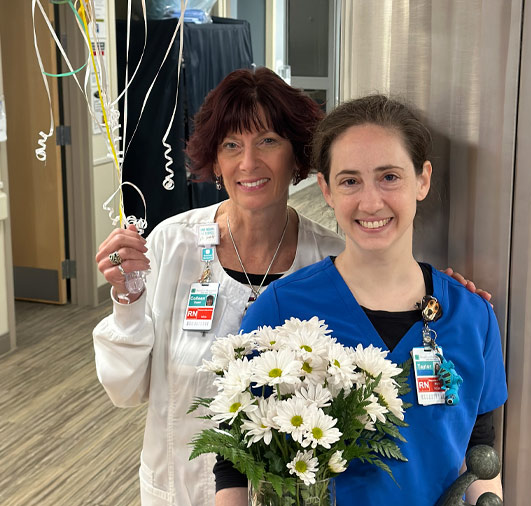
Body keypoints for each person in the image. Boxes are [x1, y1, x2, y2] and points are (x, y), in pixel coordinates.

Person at [93, 69, 489, 506]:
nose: (248, 163)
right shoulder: (173, 244)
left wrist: (447, 300)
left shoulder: (328, 258)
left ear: (296, 156)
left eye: (267, 141)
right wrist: (128, 302)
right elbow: (125, 390)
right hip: (180, 487)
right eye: (231, 145)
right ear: (215, 160)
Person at [216, 94, 507, 506]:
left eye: (390, 176)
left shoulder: (471, 317)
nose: (371, 202)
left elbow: (480, 457)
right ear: (326, 189)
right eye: (350, 180)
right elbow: (233, 462)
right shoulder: (279, 312)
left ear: (422, 180)